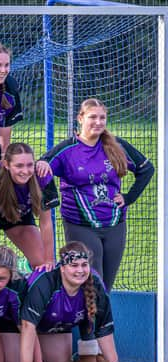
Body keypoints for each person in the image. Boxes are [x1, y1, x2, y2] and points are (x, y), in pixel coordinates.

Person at [40, 98, 154, 291]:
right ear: (80, 118)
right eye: (93, 117)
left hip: (115, 224)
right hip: (80, 225)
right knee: (91, 283)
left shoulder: (116, 146)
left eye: (102, 117)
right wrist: (51, 197)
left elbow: (146, 169)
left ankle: (99, 321)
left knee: (105, 287)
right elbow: (41, 169)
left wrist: (129, 197)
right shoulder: (68, 150)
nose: (98, 122)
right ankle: (85, 320)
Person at [19, 241, 140, 362]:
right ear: (62, 268)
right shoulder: (46, 282)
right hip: (22, 325)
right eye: (74, 265)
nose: (80, 271)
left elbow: (104, 326)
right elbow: (27, 325)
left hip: (55, 327)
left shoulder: (95, 283)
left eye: (84, 265)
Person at [0, 142, 59, 272]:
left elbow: (45, 222)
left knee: (43, 263)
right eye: (19, 166)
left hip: (19, 217)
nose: (25, 171)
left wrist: (49, 259)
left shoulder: (42, 176)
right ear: (6, 165)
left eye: (29, 165)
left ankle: (25, 268)